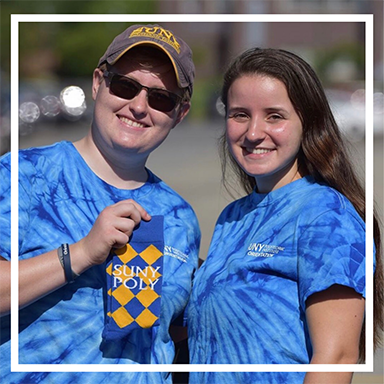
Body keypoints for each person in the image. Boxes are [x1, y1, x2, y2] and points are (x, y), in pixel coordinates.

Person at [0, 24, 200, 383]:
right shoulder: (23, 175)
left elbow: (176, 329)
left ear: (180, 113)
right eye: (125, 86)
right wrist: (82, 253)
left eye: (160, 98)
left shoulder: (180, 216)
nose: (138, 107)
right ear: (97, 83)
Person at [187, 47, 384, 384]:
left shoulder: (325, 216)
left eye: (274, 116)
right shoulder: (233, 217)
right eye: (240, 114)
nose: (253, 133)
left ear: (307, 122)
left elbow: (335, 357)